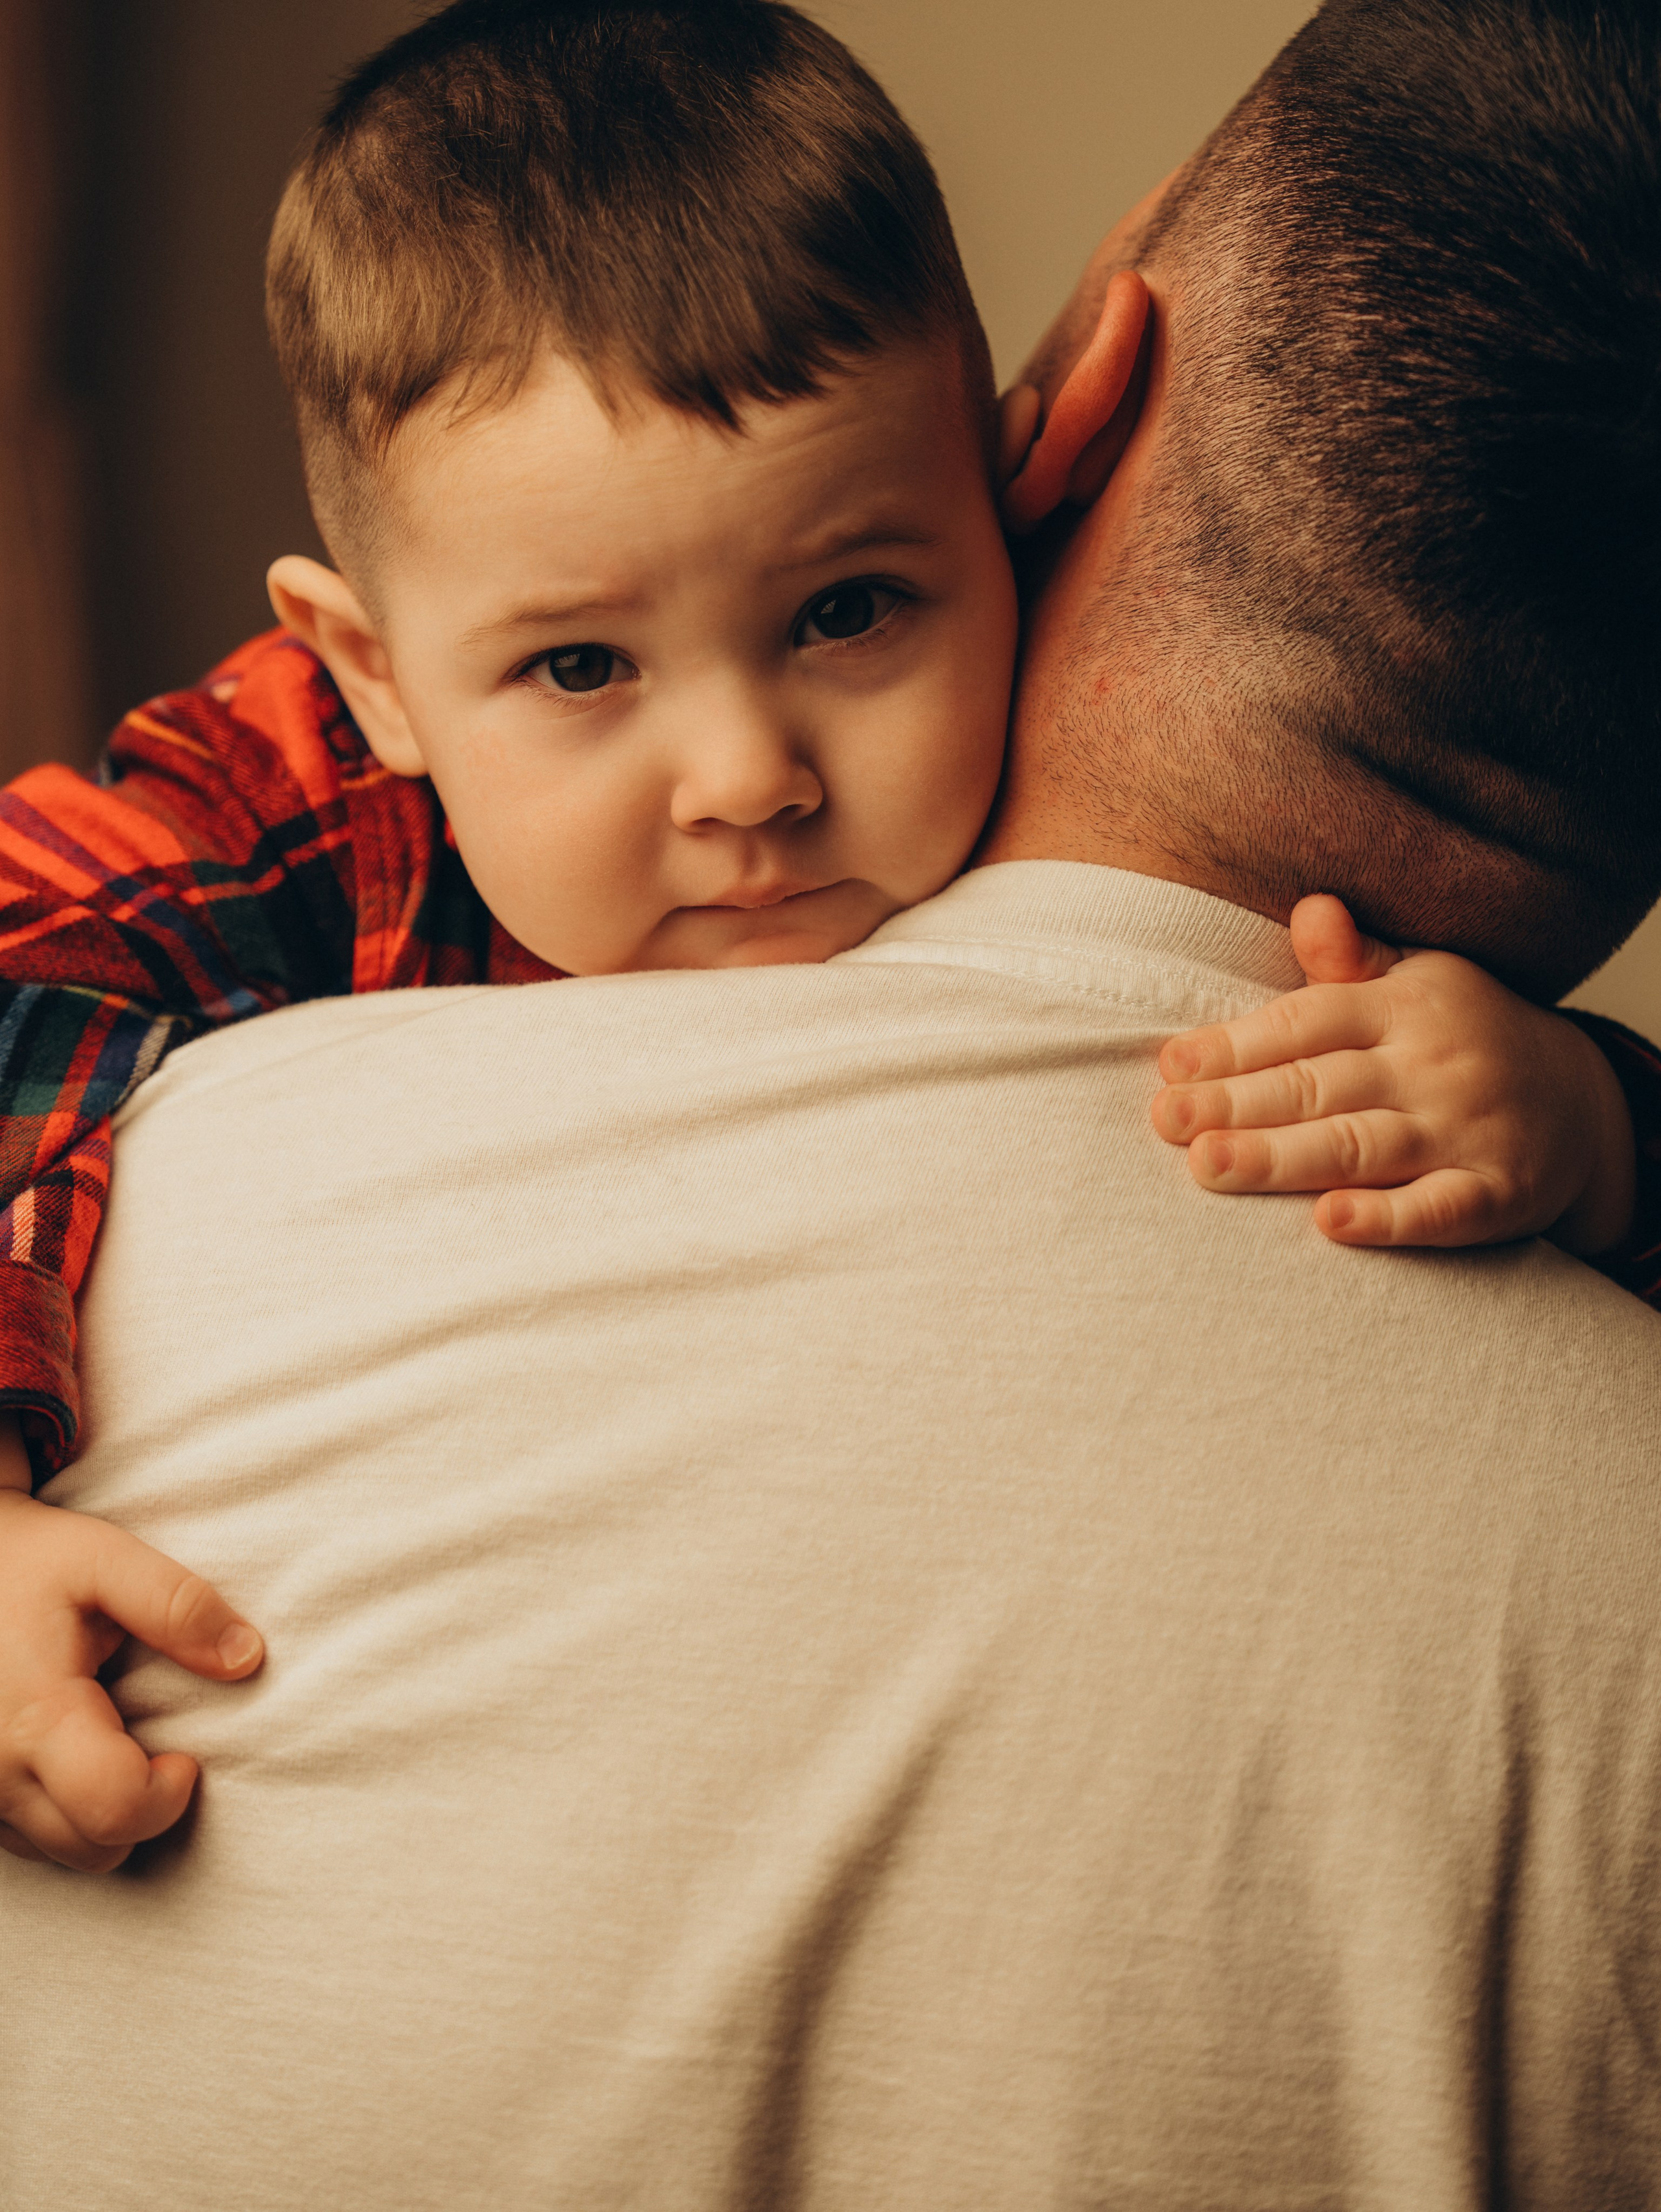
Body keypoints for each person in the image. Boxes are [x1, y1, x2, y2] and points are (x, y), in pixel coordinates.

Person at [3, 0, 1659, 2200]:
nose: (751, 778)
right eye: (581, 669)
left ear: (1034, 449)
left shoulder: (1402, 1063)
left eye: (857, 608)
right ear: (372, 670)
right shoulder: (275, 820)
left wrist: (1599, 1119)